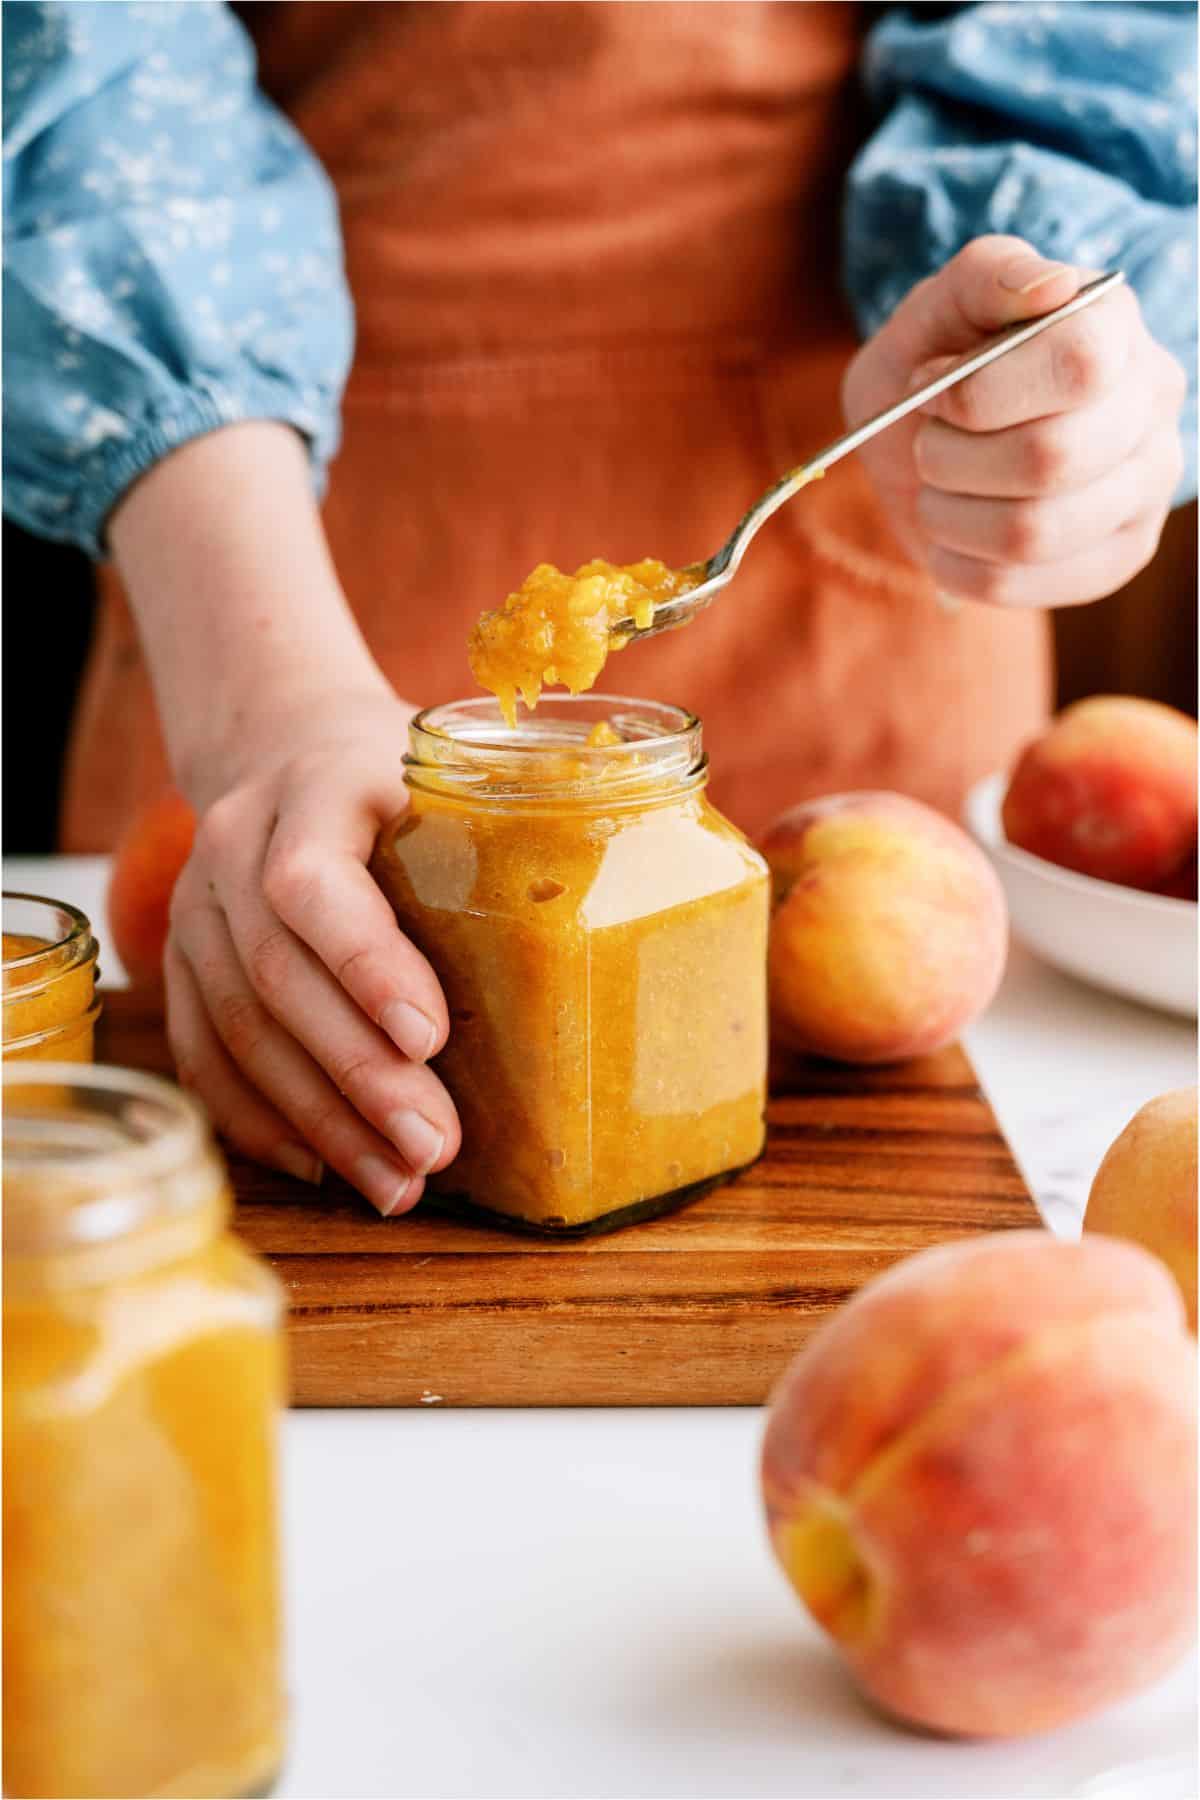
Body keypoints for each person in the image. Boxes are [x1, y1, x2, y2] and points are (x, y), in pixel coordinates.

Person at [4, 0, 1194, 1214]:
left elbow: (1097, 47)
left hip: (865, 547)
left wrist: (1062, 368)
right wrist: (264, 691)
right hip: (248, 562)